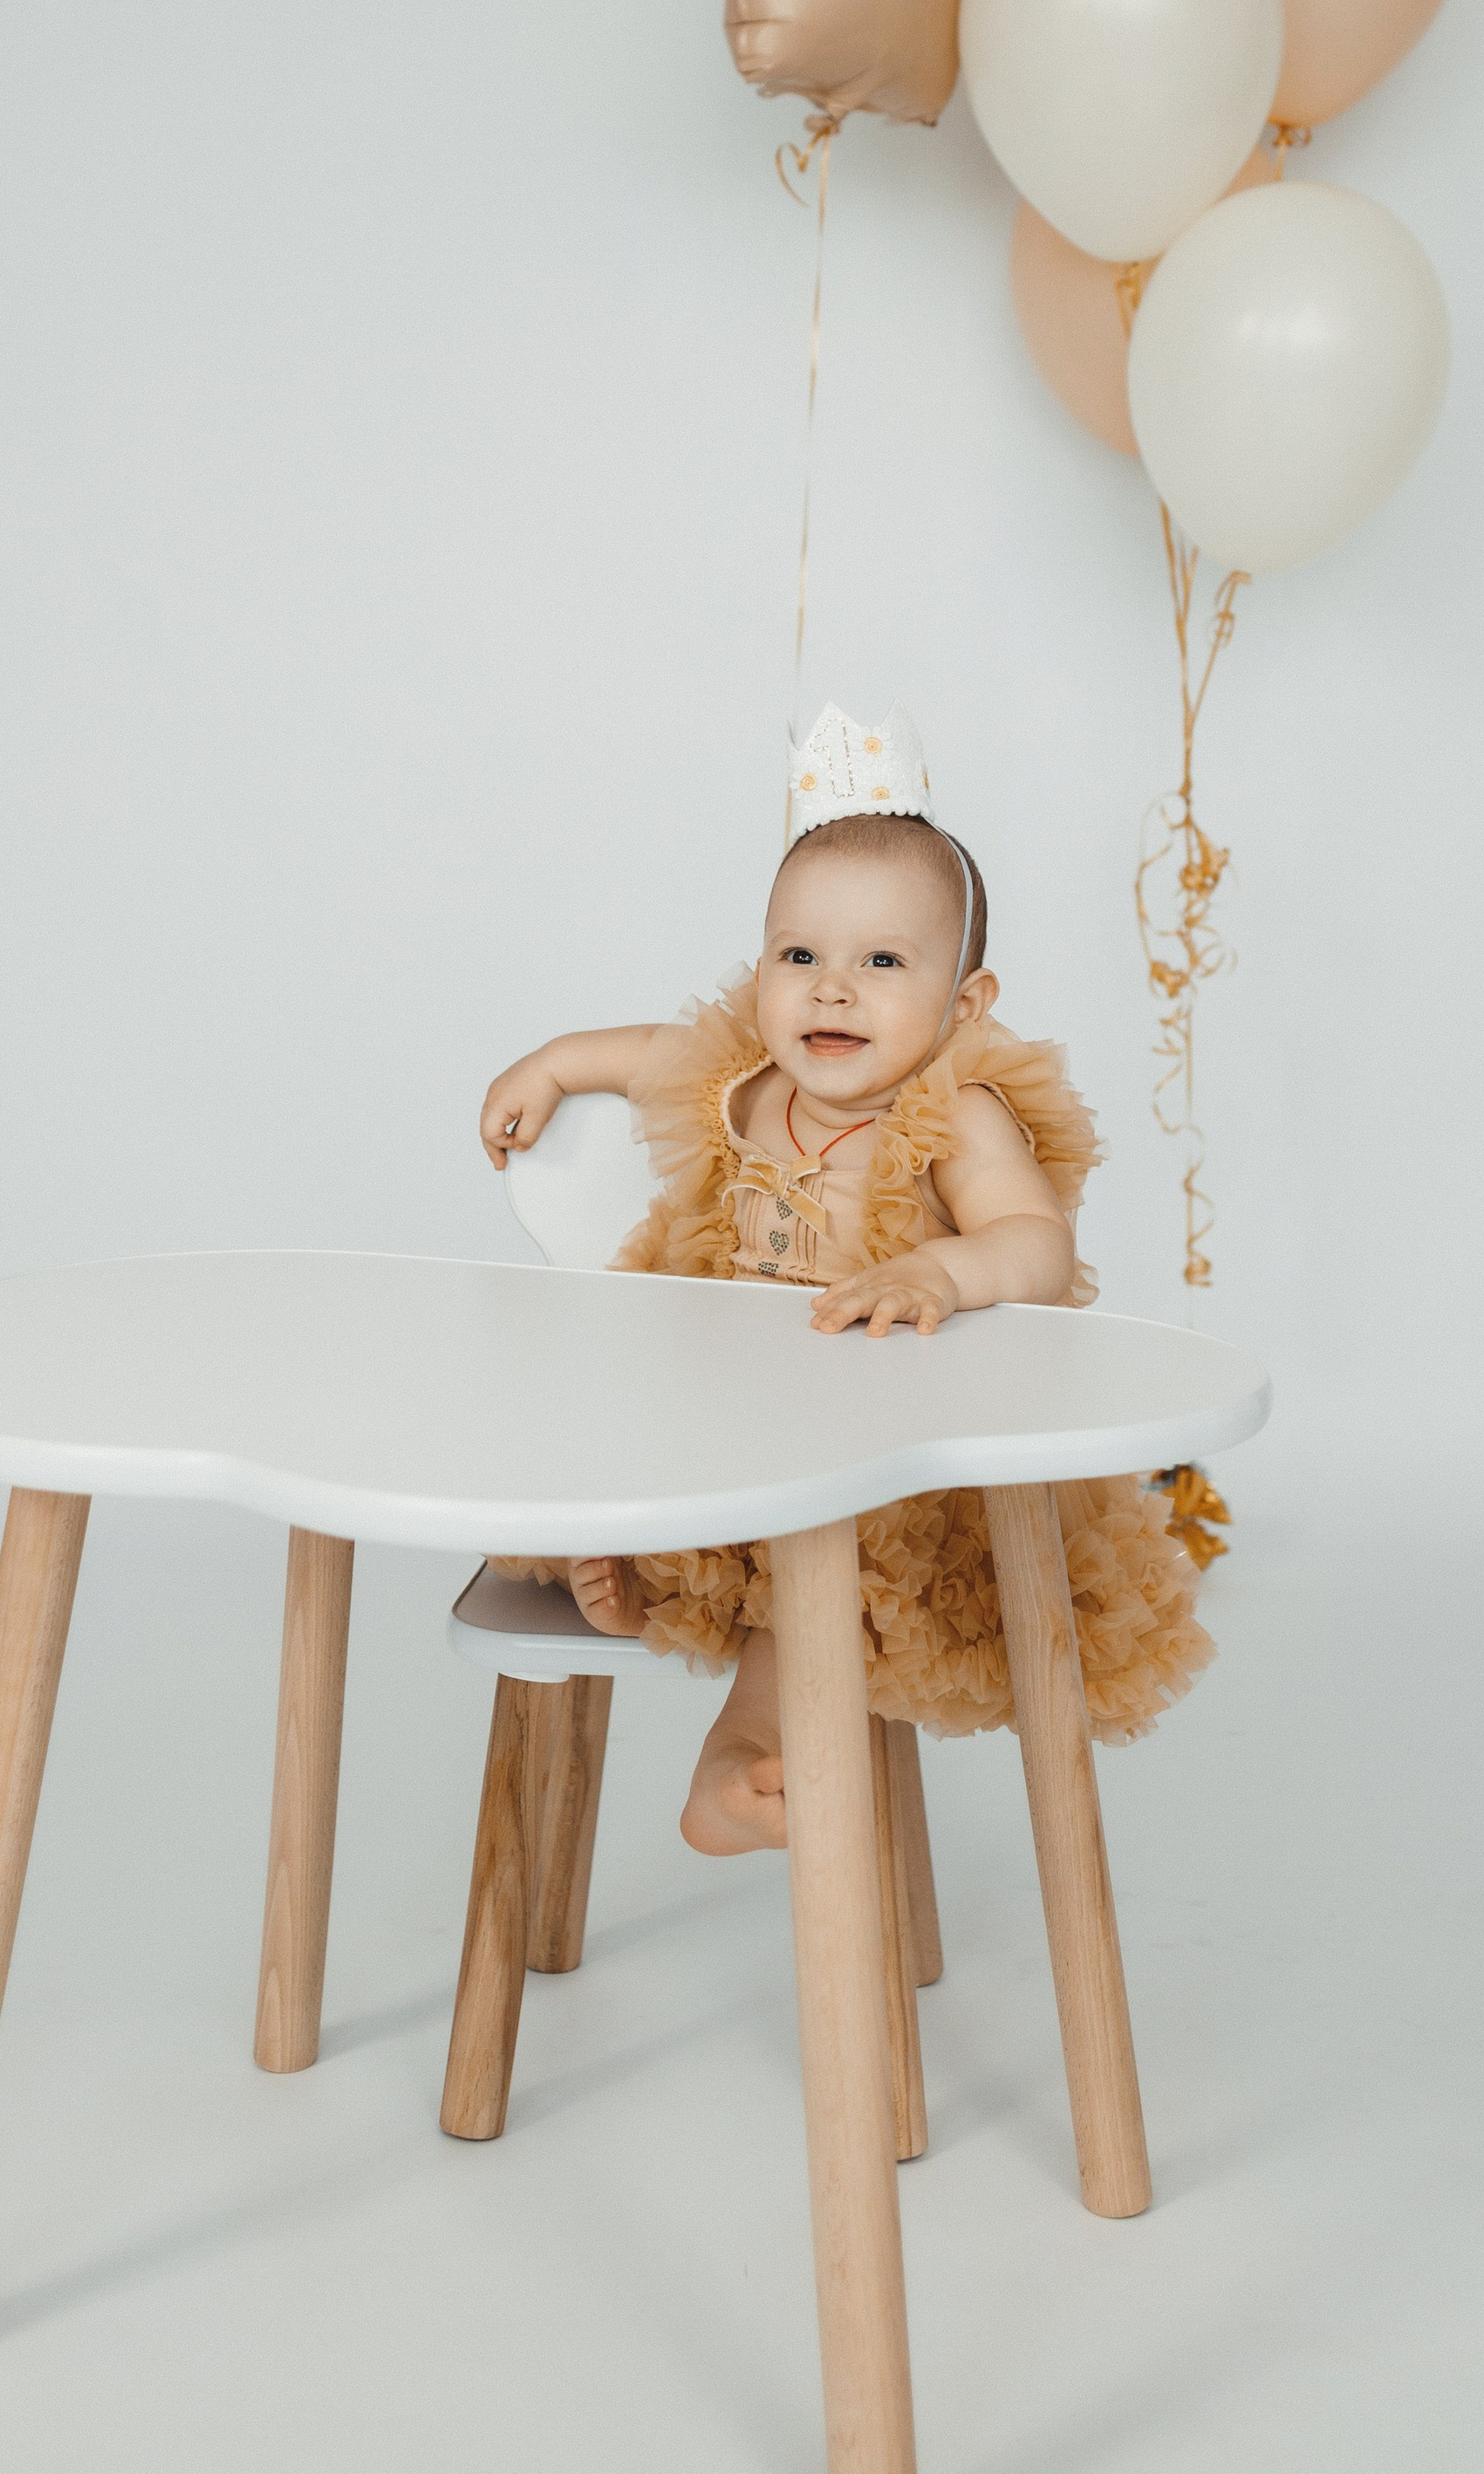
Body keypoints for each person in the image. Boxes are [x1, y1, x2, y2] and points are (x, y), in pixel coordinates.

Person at [477, 706, 1212, 1856]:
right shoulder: (744, 1082)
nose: (832, 991)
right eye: (801, 957)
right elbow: (654, 1055)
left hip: (883, 1447)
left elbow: (1036, 1241)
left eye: (882, 963)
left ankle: (737, 1762)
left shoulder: (954, 1116)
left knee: (818, 1565)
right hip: (727, 1412)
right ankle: (627, 1575)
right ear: (761, 969)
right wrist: (554, 1064)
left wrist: (944, 1268)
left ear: (963, 1005)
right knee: (610, 1465)